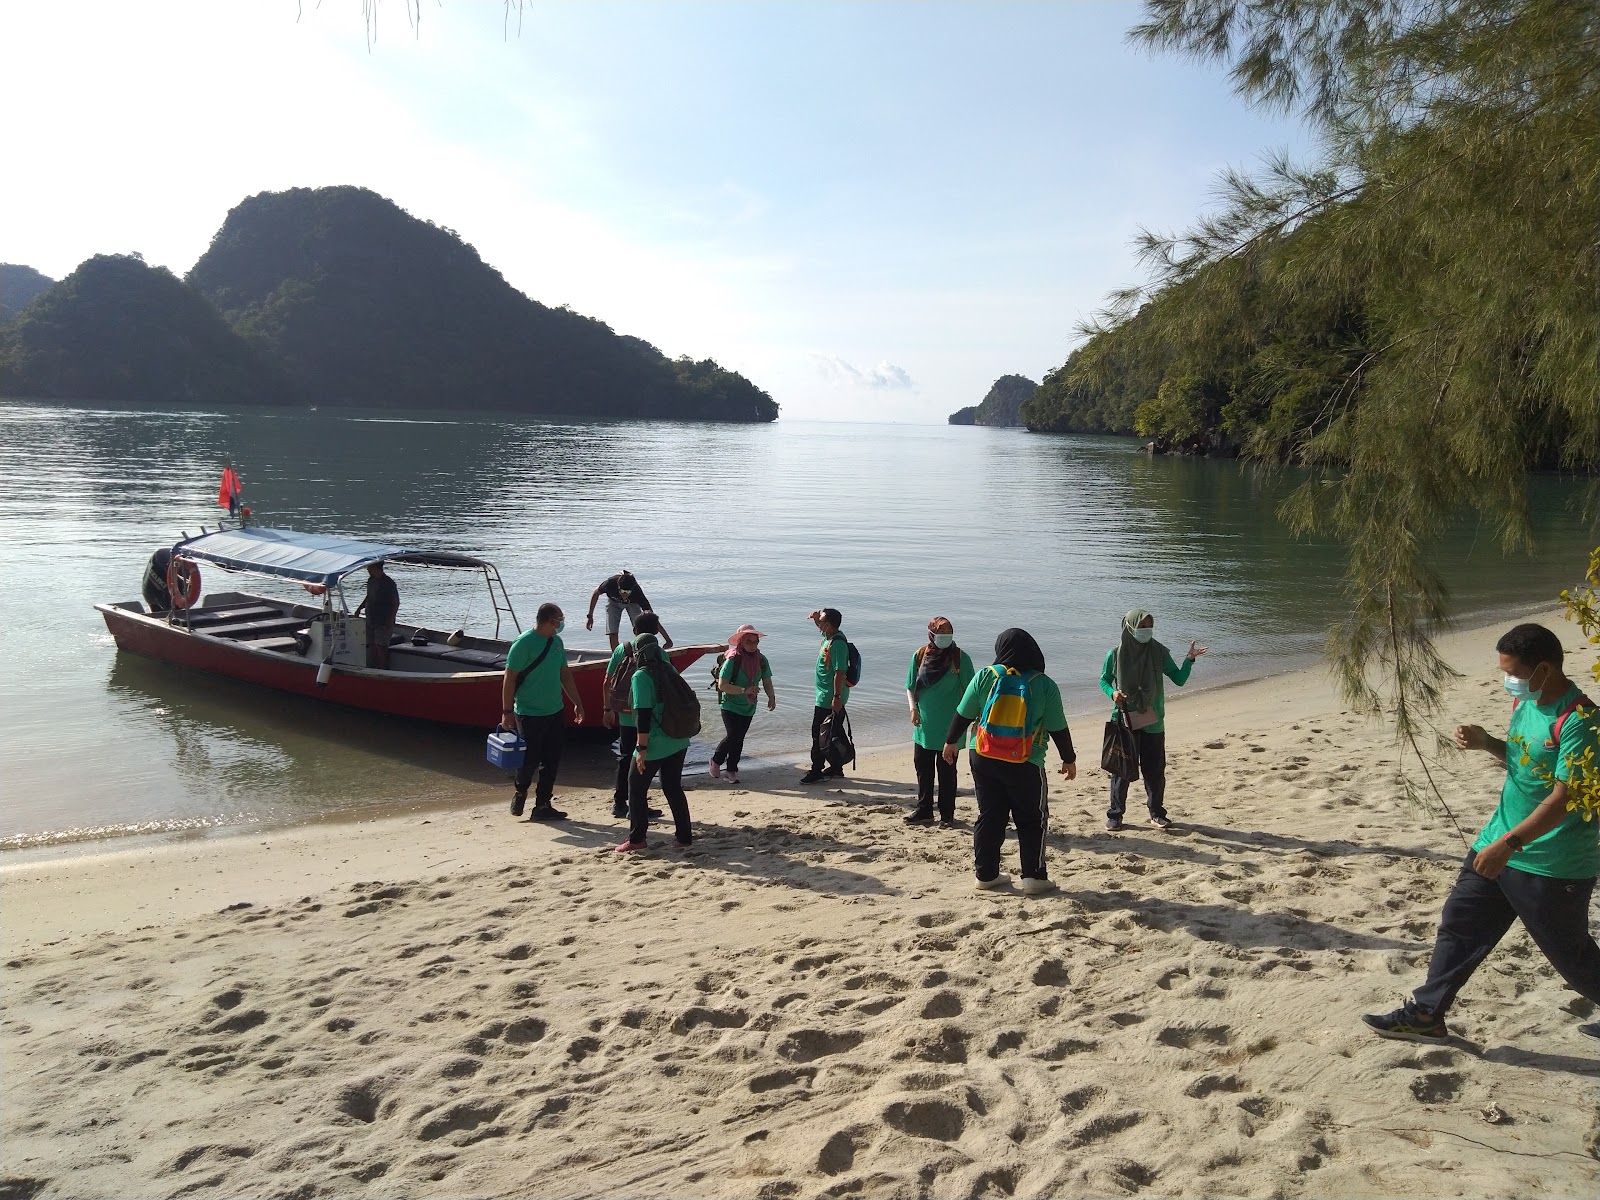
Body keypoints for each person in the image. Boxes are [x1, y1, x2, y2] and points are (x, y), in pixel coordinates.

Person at [1363, 623, 1600, 1045]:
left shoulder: (1581, 720)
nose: (1508, 680)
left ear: (1544, 669)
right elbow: (1527, 764)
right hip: (1498, 841)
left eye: (1513, 672)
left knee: (1572, 956)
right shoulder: (1526, 705)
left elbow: (1565, 797)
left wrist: (1509, 846)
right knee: (1460, 923)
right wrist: (1488, 743)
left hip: (1552, 861)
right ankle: (1426, 1014)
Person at [943, 628, 1076, 893]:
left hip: (982, 755)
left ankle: (986, 874)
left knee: (990, 815)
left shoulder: (985, 676)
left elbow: (963, 714)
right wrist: (1068, 759)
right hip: (1026, 760)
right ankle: (1034, 877)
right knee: (1031, 818)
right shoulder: (1044, 684)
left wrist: (949, 743)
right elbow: (1058, 727)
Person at [1099, 608, 1207, 831]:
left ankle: (1156, 813)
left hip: (1153, 720)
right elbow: (1104, 680)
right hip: (1125, 719)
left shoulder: (1158, 652)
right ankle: (1115, 814)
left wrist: (1189, 660)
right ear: (1130, 627)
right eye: (1142, 627)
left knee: (1155, 770)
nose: (1146, 631)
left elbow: (1178, 679)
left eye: (1150, 626)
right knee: (1121, 769)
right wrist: (1113, 693)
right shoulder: (1115, 654)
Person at [500, 602, 585, 821]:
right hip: (529, 712)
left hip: (555, 710)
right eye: (560, 618)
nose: (563, 622)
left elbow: (565, 674)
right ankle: (520, 792)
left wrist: (577, 702)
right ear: (550, 620)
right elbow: (509, 679)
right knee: (529, 759)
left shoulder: (556, 642)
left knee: (552, 759)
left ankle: (543, 805)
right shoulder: (523, 643)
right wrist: (507, 711)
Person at [618, 630, 695, 853]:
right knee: (672, 788)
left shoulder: (641, 676)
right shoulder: (669, 668)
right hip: (679, 740)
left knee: (635, 787)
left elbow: (642, 713)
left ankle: (637, 839)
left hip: (655, 744)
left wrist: (641, 748)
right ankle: (684, 837)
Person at [905, 616, 976, 826]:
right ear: (931, 634)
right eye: (941, 633)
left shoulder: (960, 658)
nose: (945, 637)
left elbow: (971, 692)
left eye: (948, 633)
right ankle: (924, 809)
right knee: (923, 768)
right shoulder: (920, 656)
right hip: (924, 724)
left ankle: (947, 815)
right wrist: (913, 709)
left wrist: (971, 719)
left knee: (947, 772)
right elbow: (910, 686)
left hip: (950, 726)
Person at [603, 612, 666, 821]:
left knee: (624, 759)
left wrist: (607, 709)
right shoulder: (659, 653)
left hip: (625, 715)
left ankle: (619, 804)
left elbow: (607, 682)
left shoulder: (623, 648)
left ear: (634, 631)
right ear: (657, 631)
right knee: (643, 760)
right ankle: (639, 806)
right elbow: (669, 685)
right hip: (648, 718)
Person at [711, 624, 775, 785]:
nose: (752, 646)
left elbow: (767, 680)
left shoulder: (761, 660)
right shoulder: (733, 659)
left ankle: (730, 770)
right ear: (741, 641)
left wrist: (771, 696)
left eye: (755, 642)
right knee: (734, 736)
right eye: (749, 642)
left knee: (739, 738)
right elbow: (722, 685)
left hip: (749, 705)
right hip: (730, 704)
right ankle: (717, 760)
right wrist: (744, 690)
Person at [801, 608, 851, 784]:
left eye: (821, 622)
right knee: (832, 733)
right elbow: (823, 629)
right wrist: (817, 619)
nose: (819, 625)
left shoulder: (837, 644)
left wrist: (836, 698)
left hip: (828, 699)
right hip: (828, 696)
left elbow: (840, 672)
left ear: (828, 625)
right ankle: (837, 768)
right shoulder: (830, 638)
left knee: (818, 735)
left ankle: (816, 770)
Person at [585, 570, 673, 651]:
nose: (624, 594)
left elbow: (652, 618)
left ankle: (640, 652)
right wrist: (590, 616)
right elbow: (596, 593)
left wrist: (668, 640)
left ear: (632, 590)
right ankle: (616, 656)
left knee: (641, 628)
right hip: (613, 602)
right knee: (612, 632)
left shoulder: (637, 593)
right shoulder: (610, 583)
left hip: (632, 603)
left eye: (627, 592)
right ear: (618, 587)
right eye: (622, 591)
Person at [354, 560, 400, 670]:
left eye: (369, 567)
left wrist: (390, 620)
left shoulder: (388, 583)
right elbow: (369, 596)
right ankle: (372, 666)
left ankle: (382, 668)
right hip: (371, 618)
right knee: (371, 644)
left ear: (375, 567)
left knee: (381, 646)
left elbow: (395, 603)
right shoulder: (371, 580)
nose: (367, 569)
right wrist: (359, 608)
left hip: (383, 619)